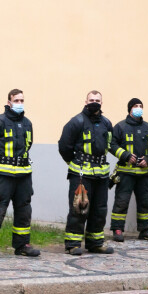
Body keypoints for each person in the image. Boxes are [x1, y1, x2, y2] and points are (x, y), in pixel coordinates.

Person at [0, 89, 40, 258]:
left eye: (22, 100)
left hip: (24, 176)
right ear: (9, 102)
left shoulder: (28, 123)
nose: (20, 104)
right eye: (16, 101)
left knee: (24, 210)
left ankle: (22, 245)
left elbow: (28, 145)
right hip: (3, 175)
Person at [58, 90, 115, 255]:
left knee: (100, 210)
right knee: (79, 208)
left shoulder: (106, 123)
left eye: (97, 100)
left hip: (101, 175)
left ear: (102, 103)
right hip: (81, 174)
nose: (94, 102)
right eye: (91, 100)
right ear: (85, 101)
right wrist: (74, 163)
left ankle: (95, 242)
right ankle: (73, 244)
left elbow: (109, 144)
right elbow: (64, 146)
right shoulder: (76, 122)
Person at [109, 98, 148, 242]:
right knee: (121, 201)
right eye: (135, 106)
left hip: (144, 174)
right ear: (130, 109)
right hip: (125, 173)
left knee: (146, 202)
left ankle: (145, 230)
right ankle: (117, 229)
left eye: (140, 106)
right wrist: (125, 155)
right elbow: (112, 144)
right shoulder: (120, 127)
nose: (138, 108)